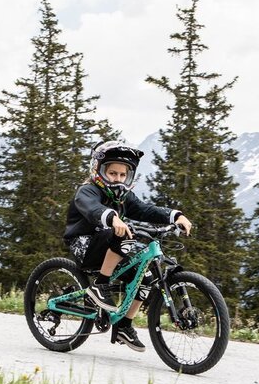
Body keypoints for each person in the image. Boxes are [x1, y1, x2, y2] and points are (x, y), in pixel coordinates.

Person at [63, 141, 193, 351]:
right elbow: (93, 208)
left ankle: (124, 324)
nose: (118, 179)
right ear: (99, 170)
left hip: (109, 247)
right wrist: (114, 219)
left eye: (123, 175)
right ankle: (100, 285)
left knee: (146, 278)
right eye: (112, 173)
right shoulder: (88, 191)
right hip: (84, 244)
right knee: (121, 234)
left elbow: (146, 210)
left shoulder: (124, 197)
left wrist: (175, 215)